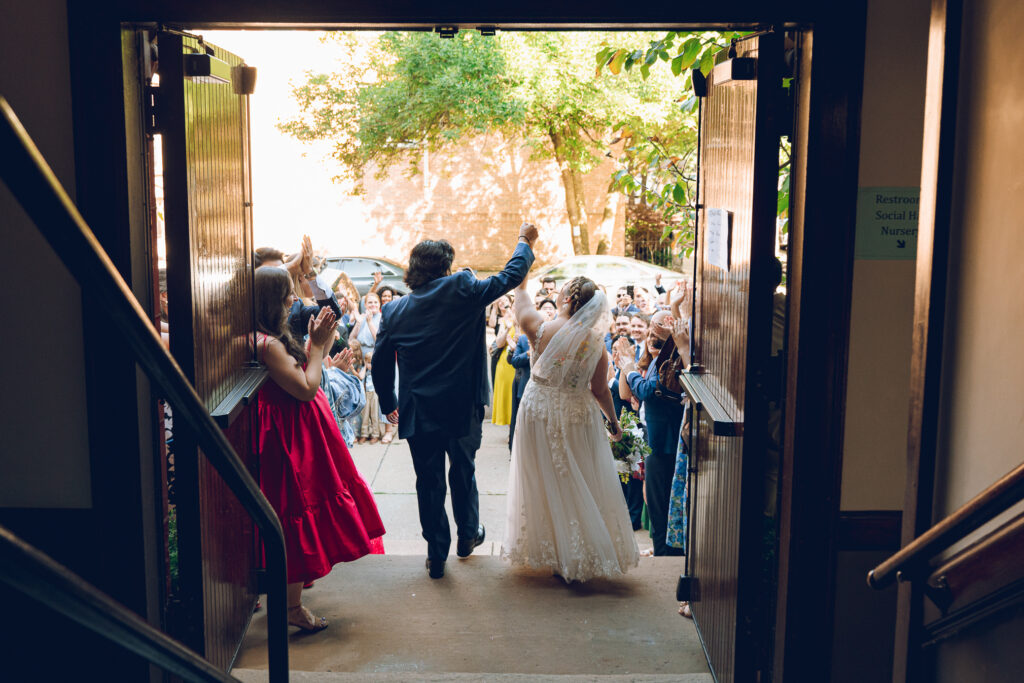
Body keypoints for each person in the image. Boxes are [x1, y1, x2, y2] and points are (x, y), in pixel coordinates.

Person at [372, 225, 537, 579]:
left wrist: (388, 402)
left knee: (427, 480)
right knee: (463, 470)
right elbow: (511, 275)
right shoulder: (462, 288)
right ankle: (467, 536)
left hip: (419, 409)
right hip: (462, 405)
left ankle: (436, 553)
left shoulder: (395, 310)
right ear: (446, 268)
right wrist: (524, 240)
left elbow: (381, 361)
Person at [252, 267, 385, 632]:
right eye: (287, 295)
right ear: (270, 301)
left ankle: (291, 599)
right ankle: (291, 608)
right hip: (291, 442)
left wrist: (315, 342)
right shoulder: (267, 345)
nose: (293, 300)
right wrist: (318, 348)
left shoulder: (272, 338)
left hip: (302, 434)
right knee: (295, 513)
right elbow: (307, 387)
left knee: (299, 513)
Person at [502, 274, 639, 582]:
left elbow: (520, 298)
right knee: (579, 476)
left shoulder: (541, 328)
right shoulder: (595, 343)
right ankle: (574, 552)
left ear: (565, 299)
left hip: (539, 409)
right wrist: (614, 424)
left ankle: (556, 552)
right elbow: (601, 389)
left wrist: (523, 279)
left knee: (541, 477)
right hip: (579, 413)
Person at [618, 310, 685, 557]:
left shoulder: (673, 357)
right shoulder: (653, 358)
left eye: (662, 324)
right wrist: (625, 365)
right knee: (654, 501)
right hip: (652, 437)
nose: (654, 330)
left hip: (663, 442)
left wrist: (628, 367)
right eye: (654, 324)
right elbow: (629, 394)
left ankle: (664, 554)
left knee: (661, 505)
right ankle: (661, 550)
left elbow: (648, 391)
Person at [490, 304, 518, 426]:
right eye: (514, 307)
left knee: (515, 395)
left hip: (518, 362)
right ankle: (509, 427)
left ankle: (514, 427)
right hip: (504, 362)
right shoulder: (505, 322)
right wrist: (507, 328)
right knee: (506, 394)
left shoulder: (526, 321)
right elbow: (499, 343)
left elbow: (519, 338)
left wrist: (517, 327)